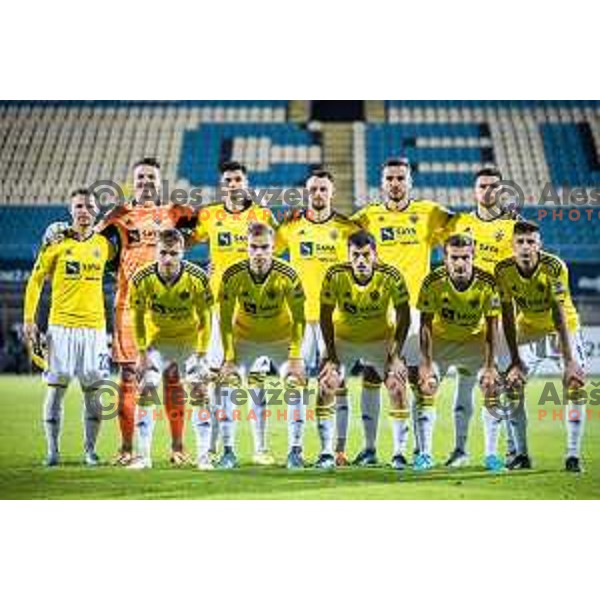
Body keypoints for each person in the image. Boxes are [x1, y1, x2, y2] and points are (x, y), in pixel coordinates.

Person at [350, 158, 452, 466]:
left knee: (416, 377)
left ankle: (420, 451)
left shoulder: (429, 212)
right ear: (382, 183)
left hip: (415, 310)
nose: (395, 183)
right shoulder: (367, 216)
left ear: (410, 181)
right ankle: (369, 449)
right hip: (377, 309)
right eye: (390, 178)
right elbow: (333, 232)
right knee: (371, 374)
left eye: (400, 178)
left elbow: (465, 226)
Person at [24, 189, 114, 466]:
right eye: (78, 206)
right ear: (70, 210)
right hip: (60, 326)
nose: (84, 210)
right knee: (56, 388)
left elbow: (126, 267)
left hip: (95, 330)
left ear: (96, 211)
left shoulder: (106, 246)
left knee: (94, 391)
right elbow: (36, 279)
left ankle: (90, 451)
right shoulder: (55, 243)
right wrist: (29, 319)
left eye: (89, 206)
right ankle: (52, 451)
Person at [495, 220, 587, 472]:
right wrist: (514, 360)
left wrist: (569, 362)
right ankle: (521, 455)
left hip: (563, 328)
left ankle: (573, 456)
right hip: (528, 329)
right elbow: (507, 315)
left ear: (539, 244)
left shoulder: (554, 266)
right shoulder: (502, 270)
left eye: (531, 242)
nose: (525, 247)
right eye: (520, 242)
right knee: (511, 386)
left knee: (575, 385)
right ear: (512, 245)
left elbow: (558, 313)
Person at [318, 230, 411, 470]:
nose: (360, 260)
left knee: (397, 386)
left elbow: (404, 315)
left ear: (375, 255)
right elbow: (325, 316)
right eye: (355, 255)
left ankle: (397, 453)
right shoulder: (335, 275)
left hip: (380, 339)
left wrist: (396, 356)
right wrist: (331, 357)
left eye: (366, 255)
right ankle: (330, 452)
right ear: (348, 255)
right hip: (344, 339)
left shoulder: (390, 275)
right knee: (328, 383)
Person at [218, 222, 307, 469]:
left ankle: (295, 451)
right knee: (229, 383)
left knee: (294, 384)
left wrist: (296, 356)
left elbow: (299, 318)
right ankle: (229, 451)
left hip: (281, 338)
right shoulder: (232, 275)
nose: (259, 253)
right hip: (244, 338)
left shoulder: (288, 275)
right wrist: (228, 357)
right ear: (246, 248)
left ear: (273, 248)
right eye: (253, 248)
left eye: (265, 247)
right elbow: (224, 319)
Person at [128, 229, 213, 469]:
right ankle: (143, 457)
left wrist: (202, 354)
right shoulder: (142, 278)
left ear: (182, 252)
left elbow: (206, 317)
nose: (167, 259)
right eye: (163, 253)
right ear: (156, 251)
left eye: (173, 253)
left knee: (199, 392)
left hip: (189, 342)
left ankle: (204, 457)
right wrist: (142, 353)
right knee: (146, 389)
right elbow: (137, 318)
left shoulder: (197, 277)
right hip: (159, 342)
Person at [417, 234, 502, 471]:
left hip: (474, 341)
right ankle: (424, 454)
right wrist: (425, 363)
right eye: (454, 258)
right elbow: (424, 324)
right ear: (445, 259)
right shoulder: (432, 282)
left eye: (465, 257)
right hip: (441, 342)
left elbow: (492, 326)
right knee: (426, 387)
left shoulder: (487, 283)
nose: (460, 263)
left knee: (491, 386)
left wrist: (489, 365)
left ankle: (491, 455)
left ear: (473, 257)